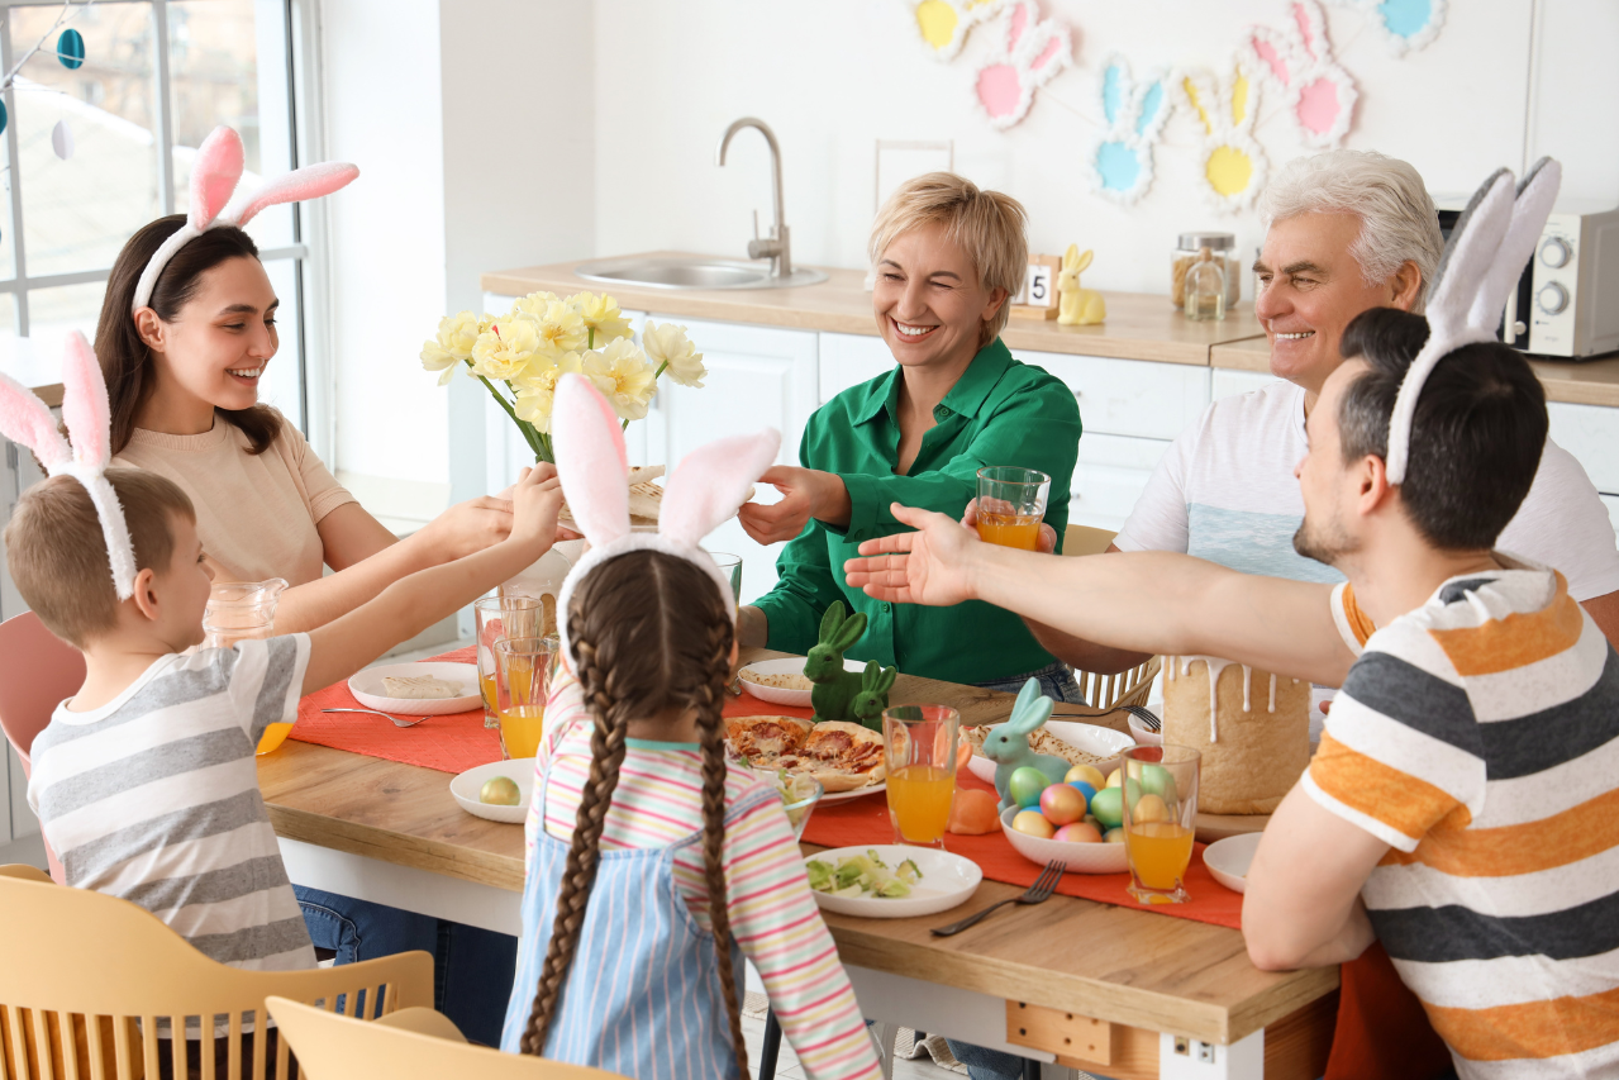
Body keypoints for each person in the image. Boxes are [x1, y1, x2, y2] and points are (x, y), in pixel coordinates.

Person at [844, 297, 1619, 1073]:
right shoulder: (1528, 605)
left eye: (1314, 444)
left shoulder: (1420, 675)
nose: (1297, 466)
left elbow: (1282, 932)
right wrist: (978, 566)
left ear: (1367, 484)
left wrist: (1386, 900)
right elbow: (1192, 603)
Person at [94, 128, 538, 1045]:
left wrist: (502, 535)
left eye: (270, 316)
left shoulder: (262, 432)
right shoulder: (121, 486)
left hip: (332, 748)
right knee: (432, 917)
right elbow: (239, 638)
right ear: (152, 326)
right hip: (249, 811)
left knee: (495, 879)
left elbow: (385, 563)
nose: (264, 344)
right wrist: (438, 543)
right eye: (234, 324)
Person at [7, 393, 563, 1068]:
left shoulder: (51, 755)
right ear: (149, 594)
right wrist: (527, 542)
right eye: (200, 561)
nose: (214, 576)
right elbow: (399, 612)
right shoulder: (210, 683)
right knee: (425, 1003)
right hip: (259, 1048)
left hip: (128, 1051)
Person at [1027, 150, 1619, 686]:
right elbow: (1110, 635)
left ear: (1401, 285)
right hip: (1186, 784)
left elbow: (1599, 702)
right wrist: (1018, 563)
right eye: (1266, 276)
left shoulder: (1532, 483)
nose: (1266, 305)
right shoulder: (1218, 437)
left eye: (1303, 278)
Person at [503, 374, 881, 1079]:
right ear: (729, 653)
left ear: (579, 653)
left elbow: (568, 687)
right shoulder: (737, 810)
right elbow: (821, 1020)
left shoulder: (559, 755)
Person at [736, 172, 1084, 703]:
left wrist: (836, 495)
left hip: (1010, 703)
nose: (908, 305)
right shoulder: (835, 423)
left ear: (993, 299)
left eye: (940, 284)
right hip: (871, 695)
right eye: (893, 275)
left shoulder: (1038, 407)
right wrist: (738, 626)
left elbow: (963, 493)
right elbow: (813, 597)